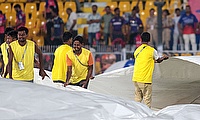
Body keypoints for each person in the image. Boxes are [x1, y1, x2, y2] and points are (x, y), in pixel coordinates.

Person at [132, 32, 168, 108]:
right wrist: (164, 57)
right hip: (145, 79)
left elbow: (143, 60)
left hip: (136, 78)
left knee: (137, 100)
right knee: (147, 101)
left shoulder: (137, 50)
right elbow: (158, 60)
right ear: (149, 39)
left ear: (141, 39)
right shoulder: (151, 50)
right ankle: (147, 117)